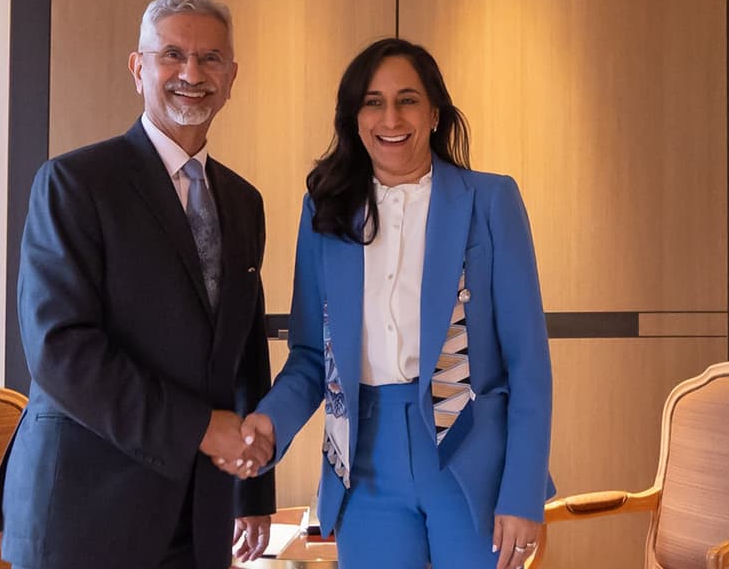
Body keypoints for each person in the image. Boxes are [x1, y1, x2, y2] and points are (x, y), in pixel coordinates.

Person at [0, 0, 276, 569]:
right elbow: (60, 352)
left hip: (203, 514)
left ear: (232, 76)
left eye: (211, 58)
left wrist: (253, 487)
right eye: (172, 55)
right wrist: (198, 429)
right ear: (139, 69)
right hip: (86, 513)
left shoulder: (244, 202)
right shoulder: (74, 183)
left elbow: (243, 352)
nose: (192, 72)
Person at [234, 38, 554, 568]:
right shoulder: (325, 214)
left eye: (407, 99)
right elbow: (312, 357)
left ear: (433, 113)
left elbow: (528, 365)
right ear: (355, 118)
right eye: (373, 101)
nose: (391, 117)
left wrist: (521, 495)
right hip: (364, 463)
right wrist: (268, 424)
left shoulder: (491, 201)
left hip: (470, 459)